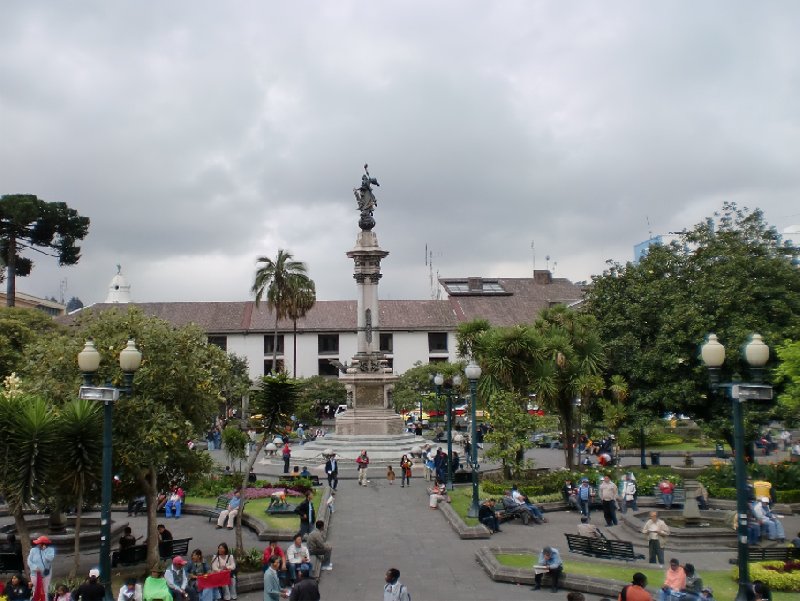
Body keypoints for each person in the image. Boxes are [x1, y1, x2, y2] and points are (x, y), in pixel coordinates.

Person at [27, 535, 54, 601]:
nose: (38, 544)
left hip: (46, 574)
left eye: (39, 543)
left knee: (45, 590)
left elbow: (50, 559)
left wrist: (44, 551)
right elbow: (29, 561)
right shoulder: (33, 550)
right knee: (35, 590)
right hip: (35, 573)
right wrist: (34, 567)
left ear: (44, 544)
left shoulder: (51, 550)